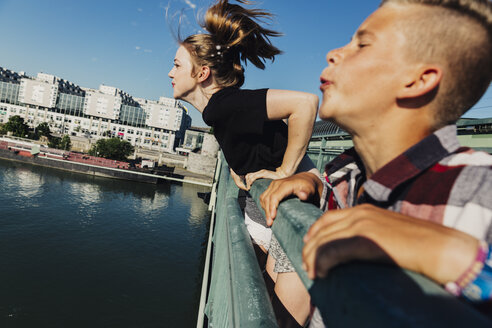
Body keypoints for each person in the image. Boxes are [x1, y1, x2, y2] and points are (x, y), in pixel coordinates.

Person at [259, 0, 492, 324]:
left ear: (418, 79)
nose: (333, 53)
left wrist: (457, 257)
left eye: (363, 44)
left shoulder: (480, 188)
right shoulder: (344, 174)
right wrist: (316, 186)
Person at [167, 0, 318, 325]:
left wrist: (285, 170)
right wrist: (240, 167)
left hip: (299, 212)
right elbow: (250, 141)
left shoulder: (229, 104)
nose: (170, 72)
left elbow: (305, 104)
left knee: (282, 318)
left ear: (202, 73)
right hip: (273, 213)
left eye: (176, 65)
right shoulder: (218, 111)